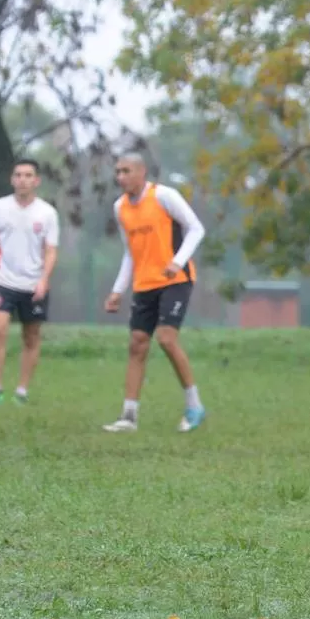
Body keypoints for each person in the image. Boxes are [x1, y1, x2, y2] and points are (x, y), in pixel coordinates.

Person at [101, 152, 208, 433]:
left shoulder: (164, 196)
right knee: (137, 344)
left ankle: (194, 406)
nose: (120, 177)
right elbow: (129, 253)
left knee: (166, 338)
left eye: (126, 171)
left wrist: (178, 261)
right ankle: (128, 416)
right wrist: (117, 290)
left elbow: (196, 229)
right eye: (118, 172)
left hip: (176, 280)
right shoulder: (120, 208)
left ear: (141, 172)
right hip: (144, 284)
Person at [0, 158, 60, 406]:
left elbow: (51, 250)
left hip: (33, 284)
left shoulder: (47, 213)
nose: (22, 179)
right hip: (3, 281)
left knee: (31, 336)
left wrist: (44, 280)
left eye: (28, 175)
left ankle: (21, 391)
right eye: (18, 175)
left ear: (36, 181)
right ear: (12, 179)